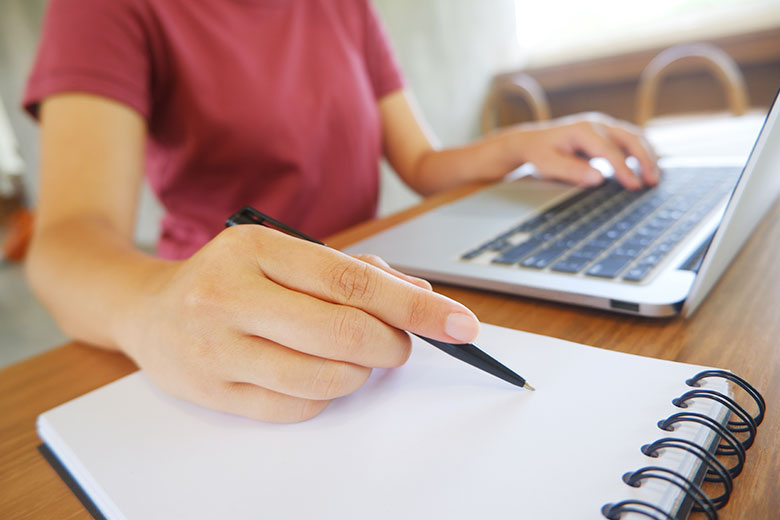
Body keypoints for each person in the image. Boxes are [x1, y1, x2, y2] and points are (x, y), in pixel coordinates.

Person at [23, 0, 658, 423]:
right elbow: (66, 241)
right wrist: (154, 308)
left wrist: (519, 145)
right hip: (221, 316)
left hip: (361, 285)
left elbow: (422, 162)